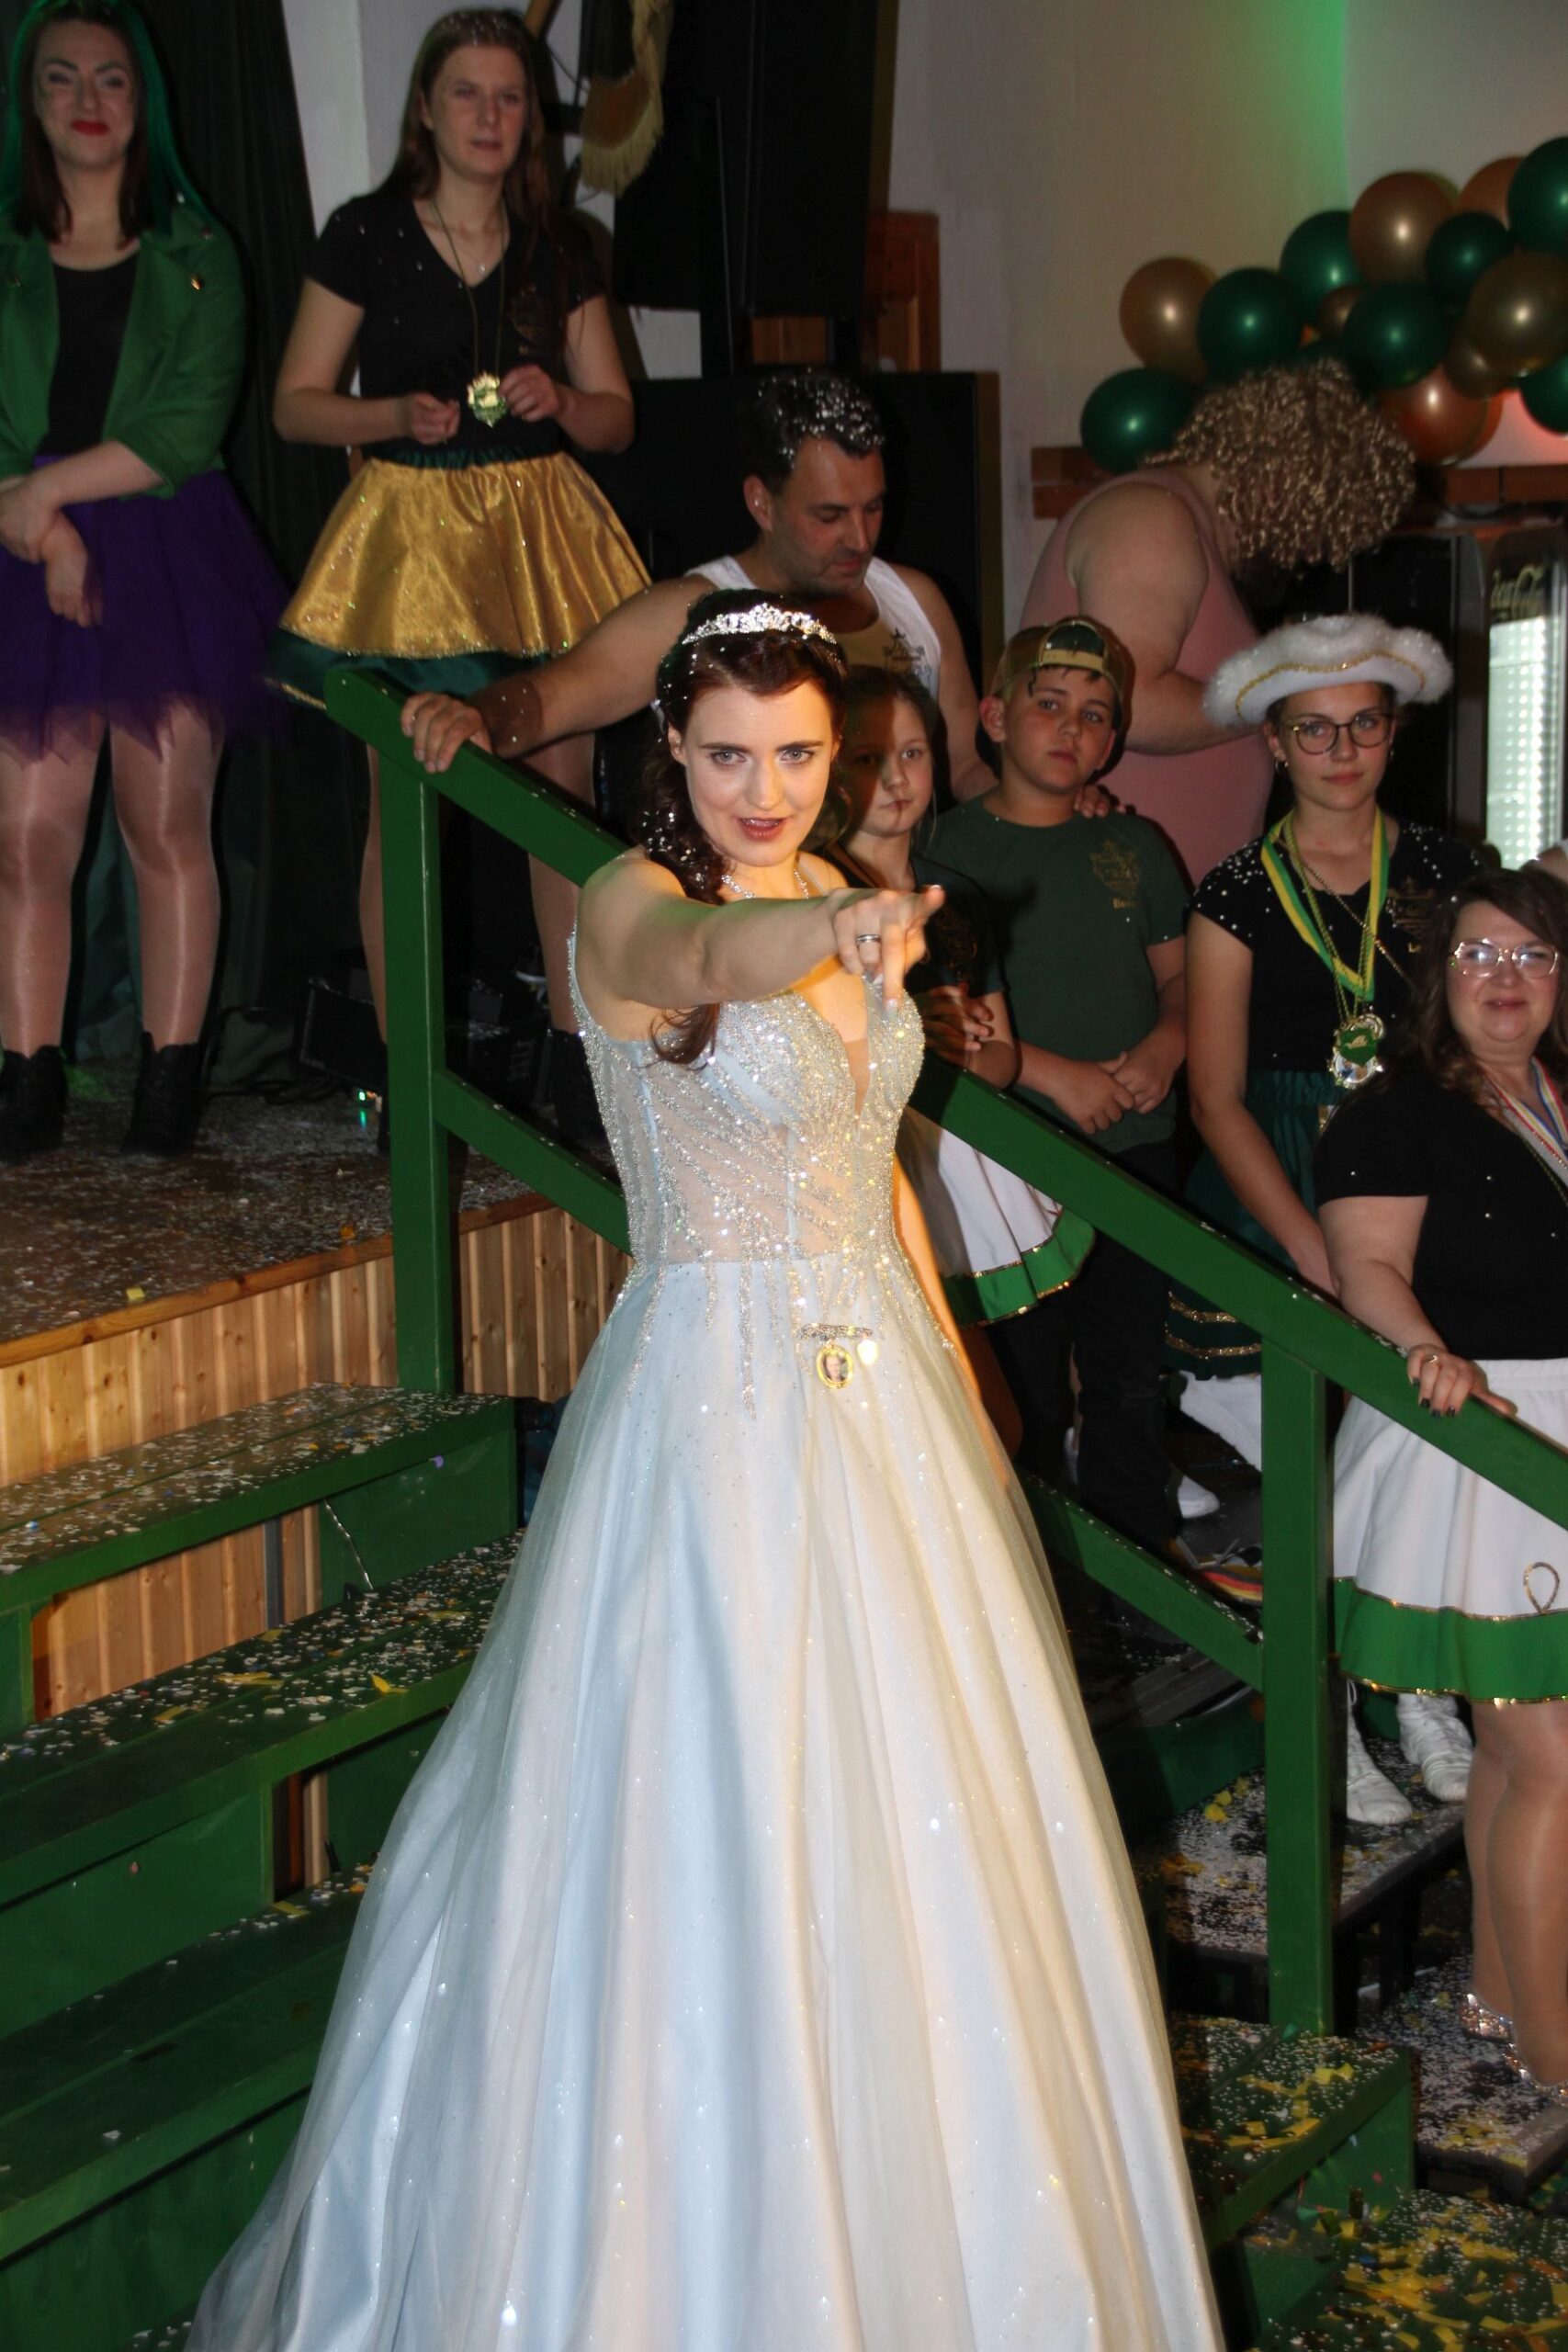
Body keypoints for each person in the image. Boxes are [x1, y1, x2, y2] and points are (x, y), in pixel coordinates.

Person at [190, 594, 1221, 2351]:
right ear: (670, 747)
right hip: (712, 1413)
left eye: (797, 753)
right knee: (723, 1794)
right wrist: (832, 923)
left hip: (879, 1406)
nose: (762, 787)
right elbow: (710, 965)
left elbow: (871, 1161)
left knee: (931, 1824)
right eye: (727, 754)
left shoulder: (843, 891)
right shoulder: (626, 904)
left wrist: (965, 1386)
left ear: (842, 749)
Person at [268, 6, 646, 1142]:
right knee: (406, 804)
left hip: (539, 533)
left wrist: (563, 400)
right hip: (413, 540)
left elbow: (618, 419)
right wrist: (391, 415)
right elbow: (296, 404)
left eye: (510, 96)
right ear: (426, 111)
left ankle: (580, 1065)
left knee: (561, 796)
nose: (490, 116)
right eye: (468, 94)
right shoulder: (366, 232)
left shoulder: (561, 245)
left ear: (531, 117)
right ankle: (407, 1079)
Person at [1169, 612, 1481, 1822]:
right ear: (1274, 742)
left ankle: (1416, 1686)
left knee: (1417, 1456)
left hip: (1416, 1173)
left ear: (1392, 734)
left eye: (1362, 726)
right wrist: (1312, 1252)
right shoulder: (1235, 894)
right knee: (1310, 1480)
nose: (1341, 752)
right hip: (1282, 1188)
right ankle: (1322, 1711)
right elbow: (1213, 1095)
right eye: (1314, 730)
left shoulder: (1448, 871)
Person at [0, 0, 284, 1160]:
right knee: (28, 838)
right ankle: (27, 1080)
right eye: (61, 78)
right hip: (23, 556)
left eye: (110, 78)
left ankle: (170, 1079)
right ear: (29, 102)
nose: (87, 99)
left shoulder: (199, 256)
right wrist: (41, 527)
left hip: (167, 549)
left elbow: (186, 427)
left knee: (165, 821)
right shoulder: (3, 254)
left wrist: (50, 499)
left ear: (144, 99)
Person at [1318, 869, 1568, 2098]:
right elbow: (1362, 1263)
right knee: (1551, 1756)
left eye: (1531, 954)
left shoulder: (1559, 1093)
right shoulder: (1397, 1109)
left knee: (1519, 1752)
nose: (1504, 978)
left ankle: (1496, 1993)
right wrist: (1424, 1346)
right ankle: (1556, 2050)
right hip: (1474, 1436)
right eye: (1478, 954)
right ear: (1438, 977)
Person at [399, 369, 990, 801]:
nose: (859, 538)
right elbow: (554, 697)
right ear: (761, 503)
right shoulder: (690, 611)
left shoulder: (917, 599)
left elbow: (964, 769)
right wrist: (476, 717)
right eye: (829, 516)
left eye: (873, 508)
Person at [927, 619, 1190, 1566]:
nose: (1071, 728)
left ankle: (1141, 1572)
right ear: (996, 718)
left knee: (1129, 1376)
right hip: (1007, 1156)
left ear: (1113, 741)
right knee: (1024, 1383)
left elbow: (1180, 976)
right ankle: (1031, 1578)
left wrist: (1168, 1042)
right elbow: (941, 1014)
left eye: (1094, 715)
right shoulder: (944, 850)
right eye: (1048, 704)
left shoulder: (1135, 844)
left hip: (1135, 1147)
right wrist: (1052, 1073)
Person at [1020, 360, 1416, 884]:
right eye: (1319, 527)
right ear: (1294, 485)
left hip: (1166, 902)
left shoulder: (1183, 526)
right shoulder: (1153, 519)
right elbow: (1129, 702)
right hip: (1120, 900)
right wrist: (1277, 701)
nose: (1304, 552)